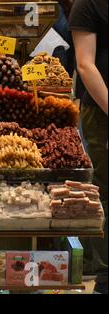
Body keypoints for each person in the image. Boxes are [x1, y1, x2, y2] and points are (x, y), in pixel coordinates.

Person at [69, 0, 108, 294]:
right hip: (101, 109)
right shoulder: (87, 5)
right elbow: (85, 63)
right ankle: (105, 277)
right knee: (105, 190)